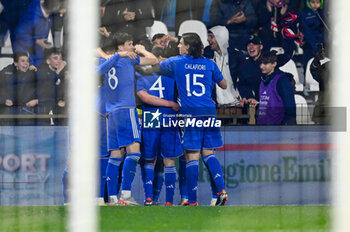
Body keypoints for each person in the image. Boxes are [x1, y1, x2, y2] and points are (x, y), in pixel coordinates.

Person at [157, 33, 228, 206]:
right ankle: (222, 191)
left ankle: (193, 201)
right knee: (208, 153)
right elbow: (224, 85)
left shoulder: (177, 62)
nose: (179, 46)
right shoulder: (209, 63)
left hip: (191, 113)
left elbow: (160, 65)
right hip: (209, 111)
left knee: (192, 156)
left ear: (188, 47)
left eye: (181, 44)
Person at [103, 32, 158, 206]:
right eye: (129, 44)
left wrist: (115, 55)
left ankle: (112, 198)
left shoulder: (106, 61)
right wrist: (142, 50)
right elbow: (154, 60)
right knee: (134, 152)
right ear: (120, 47)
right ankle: (125, 196)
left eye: (133, 44)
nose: (133, 47)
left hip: (111, 113)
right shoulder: (128, 59)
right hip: (127, 109)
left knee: (115, 154)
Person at [136, 46, 183, 206]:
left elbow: (143, 97)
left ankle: (149, 198)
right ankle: (168, 201)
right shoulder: (173, 76)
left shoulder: (141, 74)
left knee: (150, 160)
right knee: (168, 159)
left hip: (151, 116)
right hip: (169, 115)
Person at [247, 51, 296, 125]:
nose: (261, 66)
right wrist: (258, 104)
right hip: (263, 127)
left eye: (265, 63)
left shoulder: (282, 81)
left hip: (278, 128)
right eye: (261, 63)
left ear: (274, 64)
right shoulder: (262, 80)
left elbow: (290, 108)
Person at [13, 0, 61, 67]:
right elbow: (18, 35)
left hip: (38, 52)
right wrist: (36, 41)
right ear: (53, 9)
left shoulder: (47, 16)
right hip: (26, 52)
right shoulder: (31, 16)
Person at [204, 25, 241, 107]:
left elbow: (244, 80)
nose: (208, 39)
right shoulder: (206, 55)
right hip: (215, 104)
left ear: (220, 38)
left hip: (236, 104)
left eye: (211, 37)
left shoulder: (236, 56)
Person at [1, 52, 38, 125]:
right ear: (15, 63)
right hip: (9, 110)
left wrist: (37, 100)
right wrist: (3, 100)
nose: (26, 63)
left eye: (27, 61)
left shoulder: (32, 73)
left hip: (25, 109)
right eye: (23, 61)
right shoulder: (5, 73)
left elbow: (45, 89)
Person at [36, 48, 67, 125]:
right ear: (48, 61)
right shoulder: (42, 70)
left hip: (59, 108)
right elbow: (47, 87)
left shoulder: (64, 71)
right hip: (43, 107)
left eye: (61, 58)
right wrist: (58, 71)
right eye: (55, 58)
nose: (59, 61)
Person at [300, 0, 326, 75]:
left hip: (320, 43)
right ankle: (307, 79)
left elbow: (324, 28)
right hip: (309, 43)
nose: (315, 5)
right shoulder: (304, 13)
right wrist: (314, 45)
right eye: (313, 2)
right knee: (308, 62)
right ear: (308, 2)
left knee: (320, 63)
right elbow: (306, 31)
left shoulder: (321, 12)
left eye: (317, 3)